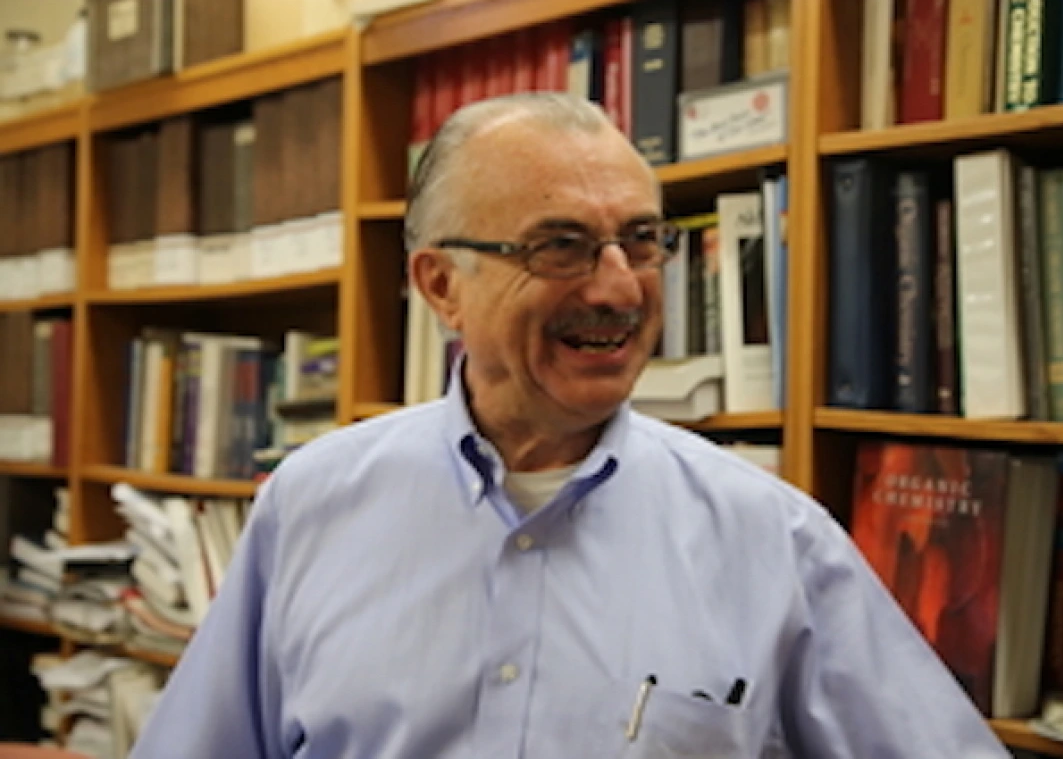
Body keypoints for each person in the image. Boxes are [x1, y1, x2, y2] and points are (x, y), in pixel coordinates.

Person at [130, 92, 1010, 759]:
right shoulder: (311, 505)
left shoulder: (771, 536)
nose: (619, 286)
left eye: (641, 239)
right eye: (560, 245)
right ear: (441, 286)